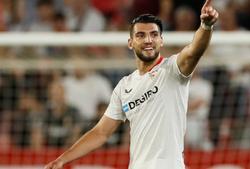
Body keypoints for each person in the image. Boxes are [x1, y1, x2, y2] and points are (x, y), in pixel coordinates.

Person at [44, 0, 218, 168]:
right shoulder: (124, 86)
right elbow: (101, 132)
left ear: (161, 41)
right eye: (141, 35)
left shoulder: (172, 70)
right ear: (130, 43)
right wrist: (62, 159)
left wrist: (206, 26)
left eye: (154, 34)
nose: (148, 40)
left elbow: (194, 51)